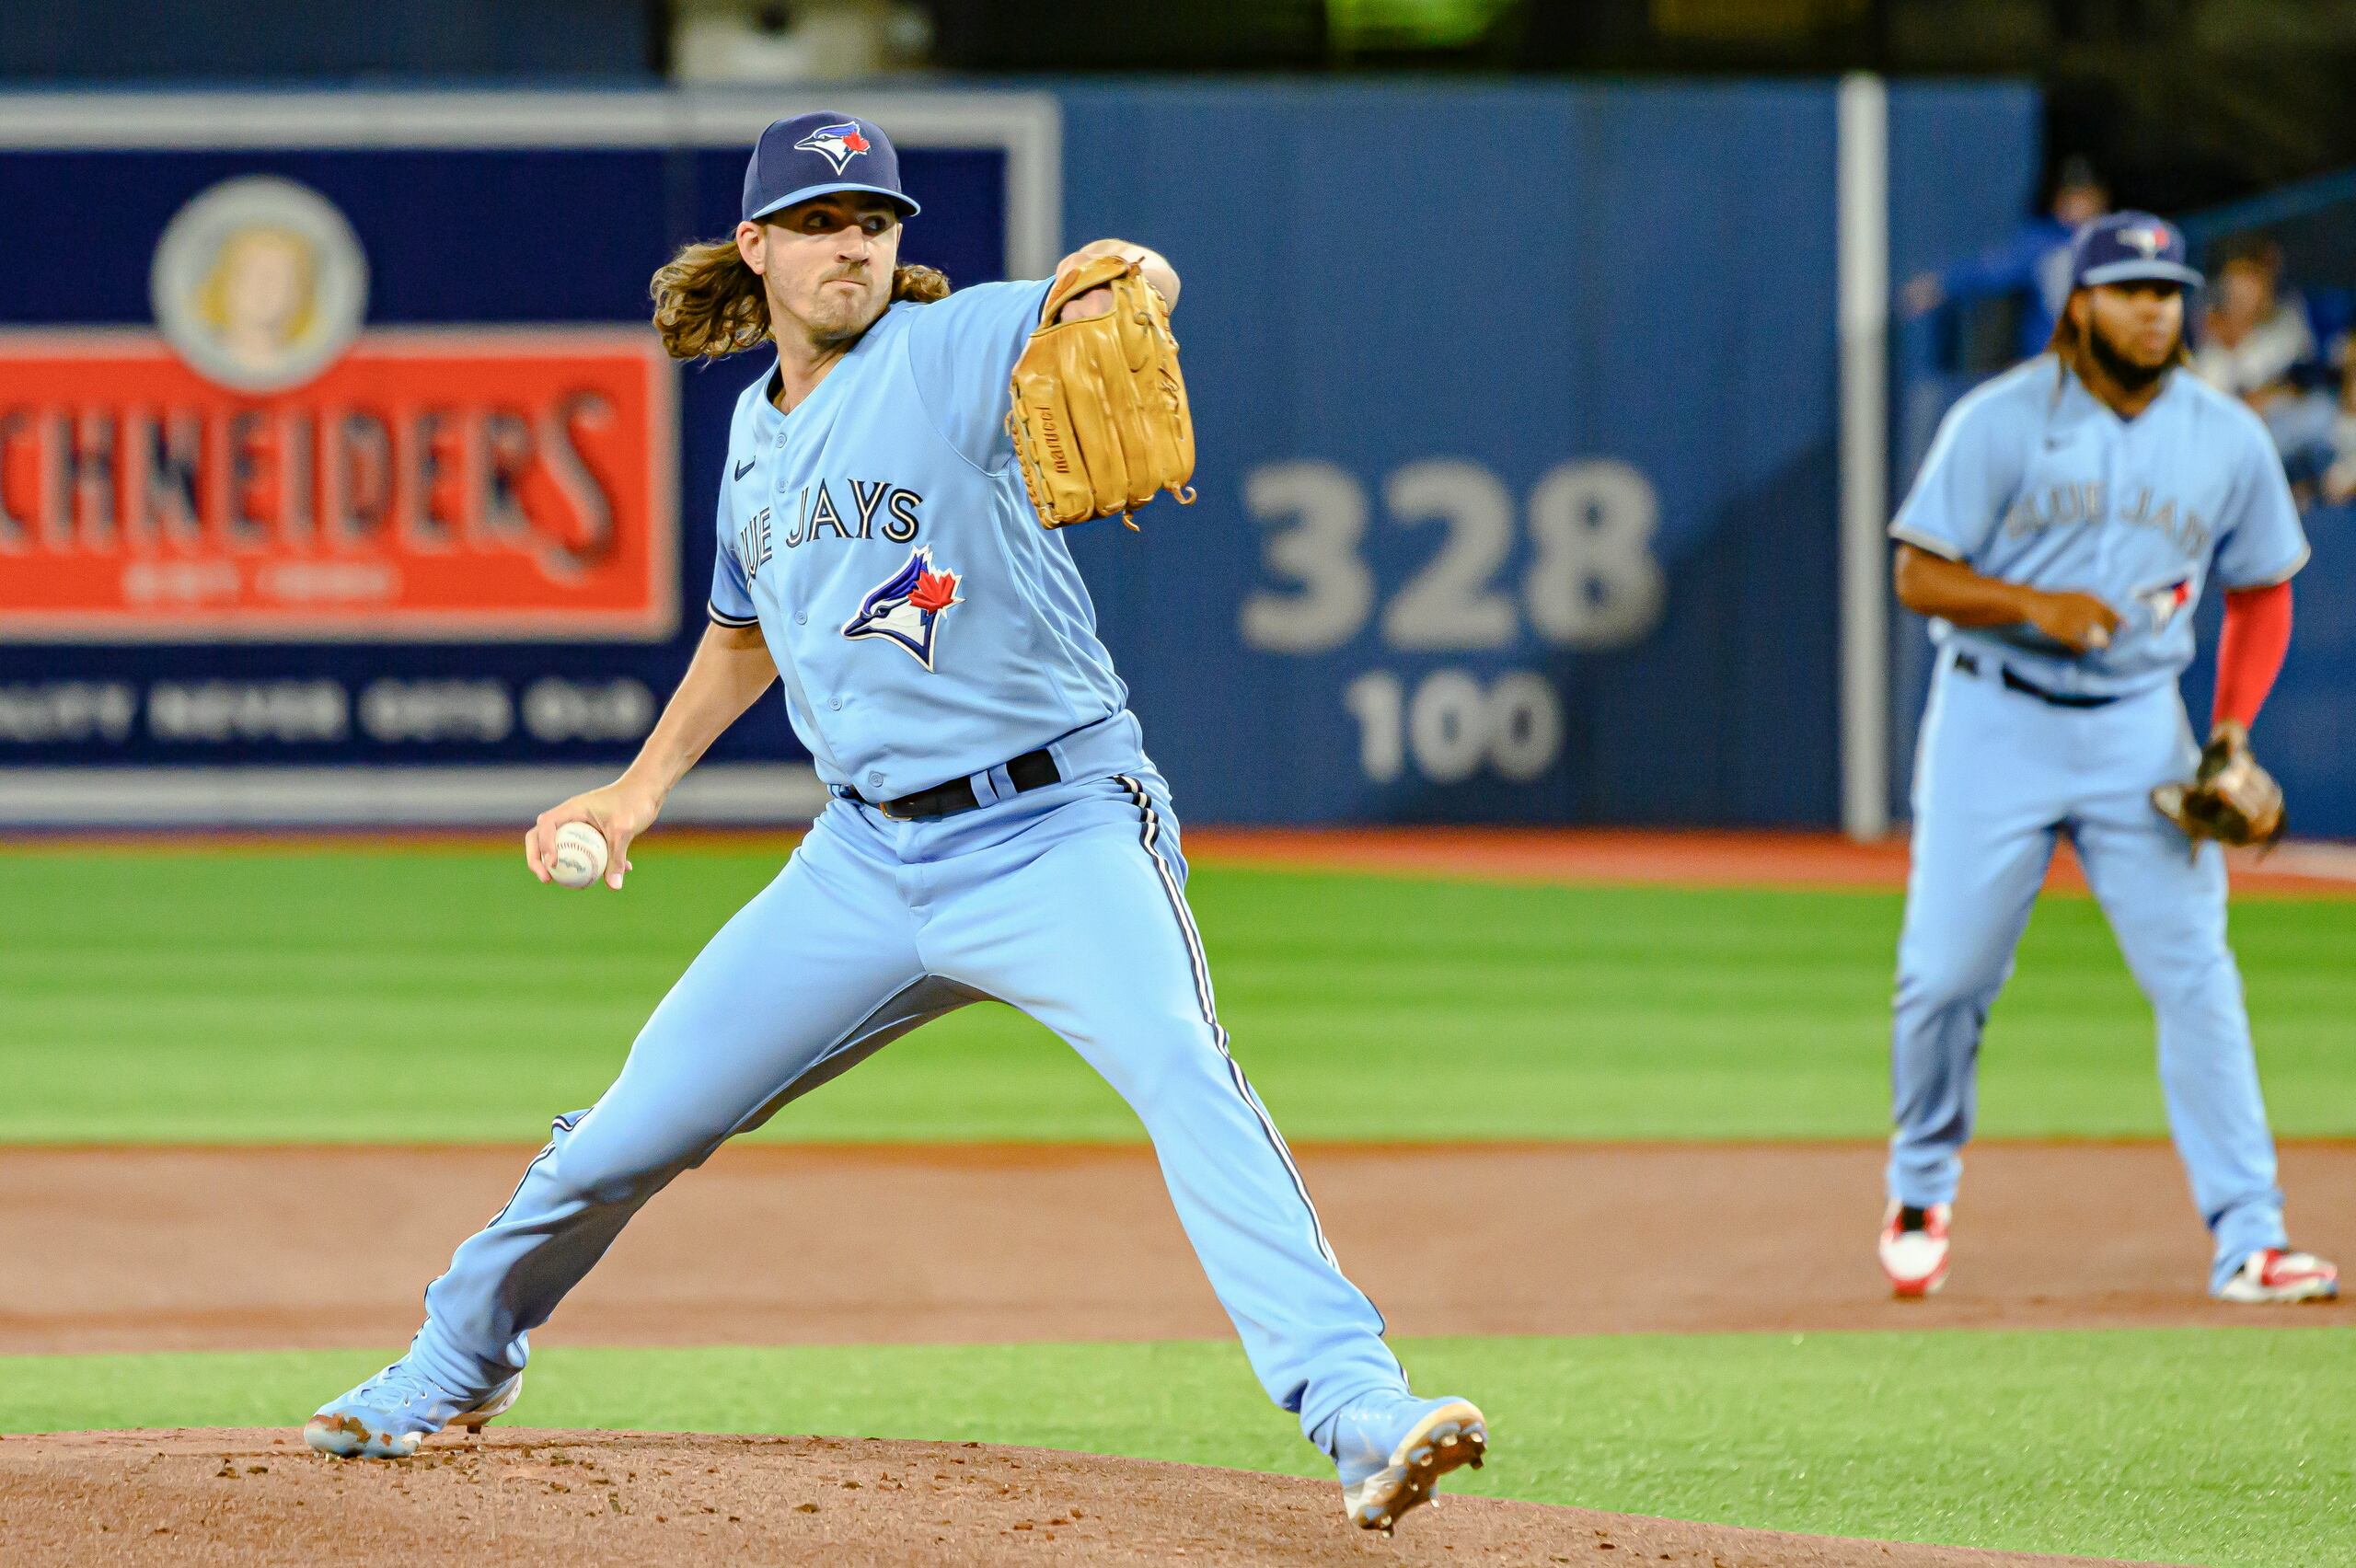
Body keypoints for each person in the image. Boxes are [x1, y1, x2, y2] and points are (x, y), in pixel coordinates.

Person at [299, 110, 1487, 1534]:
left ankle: (1357, 1409)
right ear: (759, 251)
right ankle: (457, 1357)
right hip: (864, 860)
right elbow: (745, 638)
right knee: (633, 1128)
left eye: (871, 218)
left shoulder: (948, 348)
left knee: (1184, 1072)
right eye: (816, 221)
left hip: (1054, 827)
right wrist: (637, 794)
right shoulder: (754, 437)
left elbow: (1116, 289)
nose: (849, 241)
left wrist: (1130, 283)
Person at [1877, 212, 2338, 1307]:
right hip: (1996, 717)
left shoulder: (2223, 435)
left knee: (2197, 978)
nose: (2153, 308)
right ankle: (1918, 1181)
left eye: (2166, 290)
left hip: (2138, 725)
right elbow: (1917, 575)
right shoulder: (1999, 420)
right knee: (1945, 976)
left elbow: (2262, 586)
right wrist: (2035, 606)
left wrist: (2226, 734)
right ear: (2080, 303)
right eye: (2128, 288)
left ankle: (2250, 1236)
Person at [1902, 156, 2109, 363]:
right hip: (2049, 366)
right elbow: (1992, 270)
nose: (2075, 205)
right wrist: (1941, 284)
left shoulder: (2116, 244)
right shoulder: (2041, 243)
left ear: (2099, 199)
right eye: (2069, 197)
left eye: (2084, 197)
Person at [2191, 243, 2339, 491]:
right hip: (2245, 447)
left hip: (2294, 429)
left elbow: (2308, 380)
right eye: (2236, 284)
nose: (2244, 292)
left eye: (2250, 280)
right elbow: (2215, 423)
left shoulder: (2284, 324)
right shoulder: (2209, 358)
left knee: (2321, 415)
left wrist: (2266, 395)